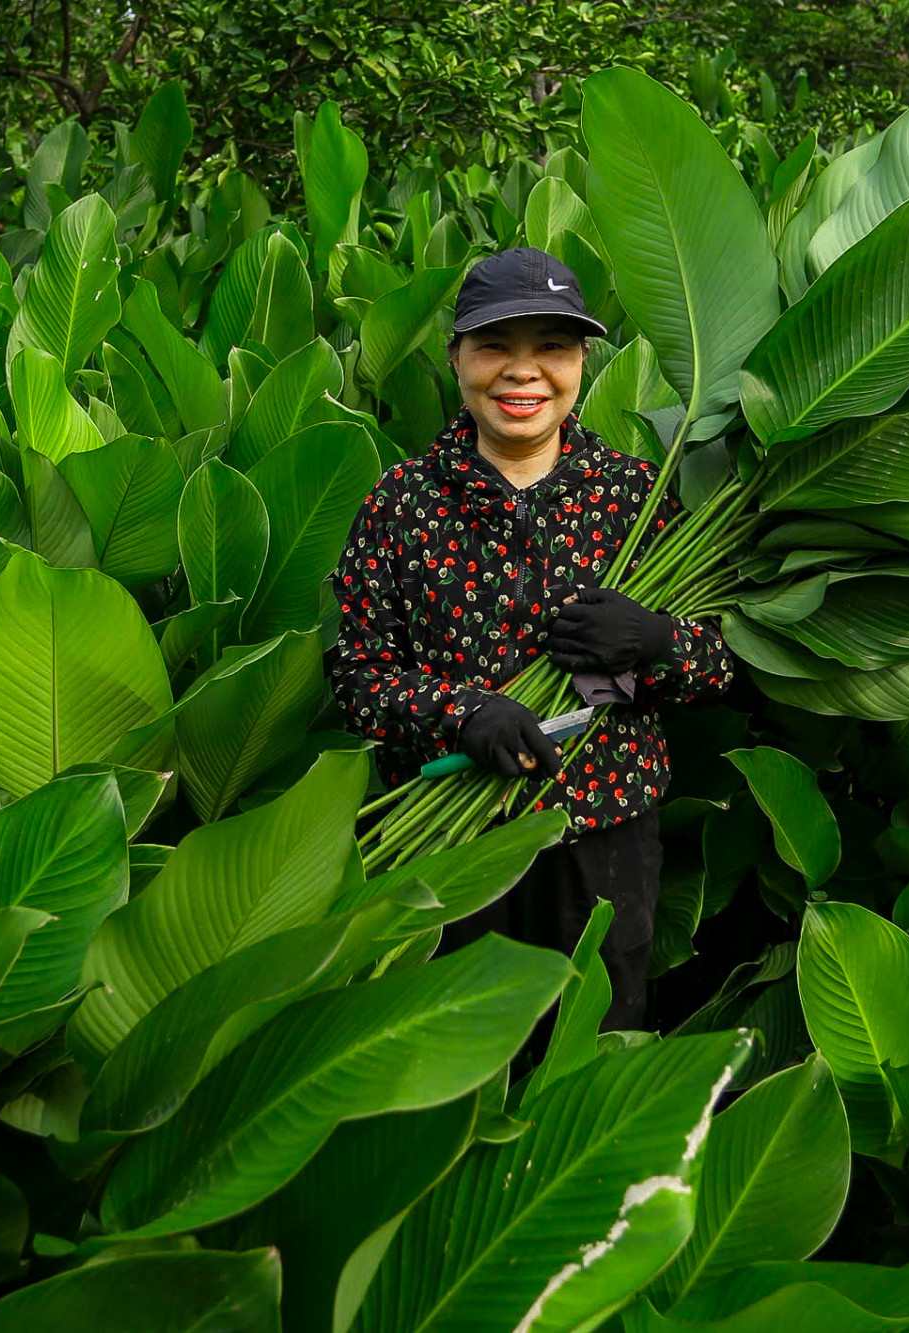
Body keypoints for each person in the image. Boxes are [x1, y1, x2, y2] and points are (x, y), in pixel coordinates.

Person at [329, 246, 736, 1058]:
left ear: (582, 360)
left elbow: (719, 664)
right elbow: (356, 672)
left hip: (602, 836)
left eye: (551, 346)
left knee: (590, 1055)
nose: (524, 374)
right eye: (494, 348)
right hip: (448, 843)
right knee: (448, 1066)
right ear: (455, 359)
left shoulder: (633, 493)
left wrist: (659, 641)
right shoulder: (403, 501)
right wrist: (462, 711)